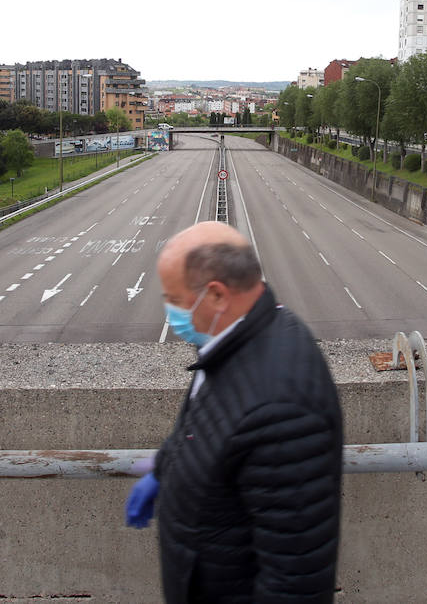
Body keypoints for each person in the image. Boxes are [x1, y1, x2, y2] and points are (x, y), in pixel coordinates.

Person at [125, 221, 344, 603]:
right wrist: (165, 469)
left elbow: (294, 584)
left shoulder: (282, 412)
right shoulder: (236, 338)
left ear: (216, 296)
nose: (171, 313)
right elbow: (207, 418)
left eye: (174, 300)